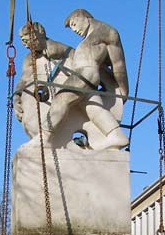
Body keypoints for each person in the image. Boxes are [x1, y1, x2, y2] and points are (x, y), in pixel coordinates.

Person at [43, 8, 129, 150]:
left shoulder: (106, 31)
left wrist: (123, 91)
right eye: (72, 28)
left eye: (74, 24)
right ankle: (115, 134)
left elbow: (118, 64)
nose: (74, 30)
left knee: (61, 99)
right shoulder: (89, 38)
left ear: (83, 17)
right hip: (84, 76)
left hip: (86, 74)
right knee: (91, 107)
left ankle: (43, 138)